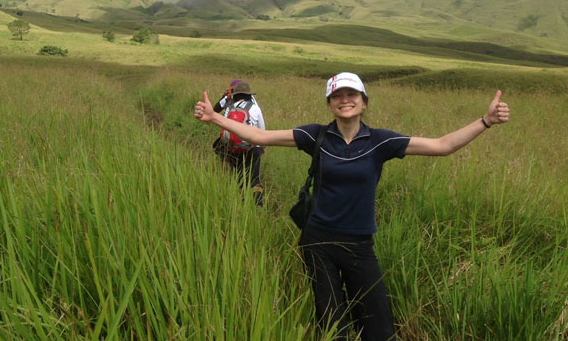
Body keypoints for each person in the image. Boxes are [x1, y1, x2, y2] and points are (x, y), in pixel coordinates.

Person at [193, 72, 510, 340]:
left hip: (360, 244)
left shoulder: (380, 141)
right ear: (330, 103)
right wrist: (215, 117)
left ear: (364, 101)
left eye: (352, 94)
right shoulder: (315, 135)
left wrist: (485, 121)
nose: (345, 99)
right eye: (338, 95)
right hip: (317, 242)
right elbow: (260, 134)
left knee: (379, 327)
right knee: (333, 325)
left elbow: (442, 146)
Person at [211, 80, 267, 206]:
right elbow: (263, 131)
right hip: (252, 149)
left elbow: (225, 130)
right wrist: (261, 148)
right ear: (249, 95)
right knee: (254, 178)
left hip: (232, 148)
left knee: (239, 174)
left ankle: (241, 200)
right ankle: (258, 205)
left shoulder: (229, 108)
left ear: (235, 95)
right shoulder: (255, 108)